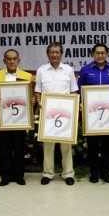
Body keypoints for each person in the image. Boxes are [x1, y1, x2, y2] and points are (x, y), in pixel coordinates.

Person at [35, 42, 78, 186]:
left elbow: (73, 90)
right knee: (48, 144)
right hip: (48, 113)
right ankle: (48, 173)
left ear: (61, 54)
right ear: (47, 54)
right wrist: (39, 103)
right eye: (51, 52)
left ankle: (68, 174)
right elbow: (38, 91)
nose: (54, 54)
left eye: (57, 52)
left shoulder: (68, 70)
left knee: (66, 145)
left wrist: (72, 107)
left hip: (65, 113)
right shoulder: (41, 70)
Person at [0, 49, 34, 186]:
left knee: (20, 148)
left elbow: (31, 96)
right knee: (5, 149)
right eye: (9, 59)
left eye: (14, 59)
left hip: (20, 119)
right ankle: (6, 176)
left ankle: (19, 176)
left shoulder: (27, 76)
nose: (12, 61)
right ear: (4, 61)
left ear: (19, 60)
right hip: (4, 119)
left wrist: (32, 100)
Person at [78, 43, 109, 184]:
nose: (100, 55)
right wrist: (80, 102)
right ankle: (94, 173)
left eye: (103, 53)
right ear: (92, 54)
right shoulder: (85, 70)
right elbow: (79, 90)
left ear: (107, 54)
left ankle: (106, 172)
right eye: (97, 53)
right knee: (93, 146)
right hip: (91, 115)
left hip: (108, 115)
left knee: (107, 145)